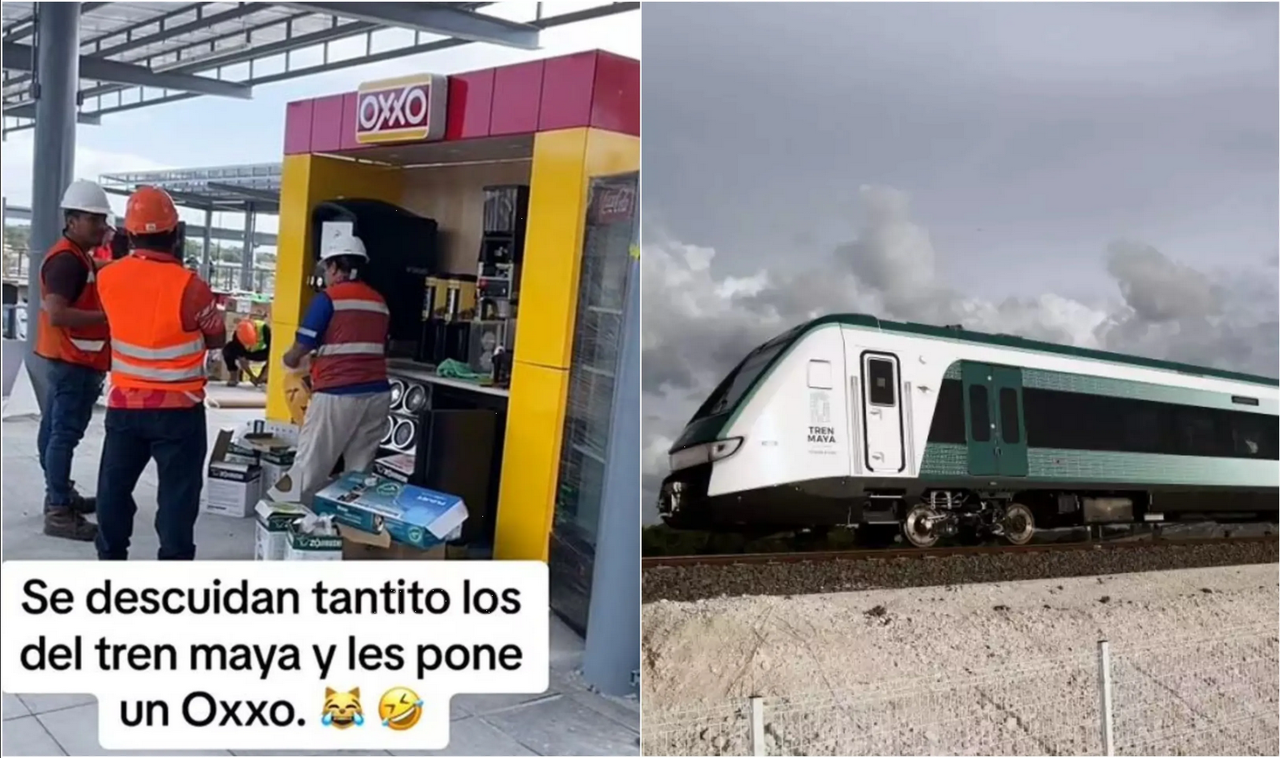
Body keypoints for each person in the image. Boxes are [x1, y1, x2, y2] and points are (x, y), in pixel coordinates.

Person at [94, 186, 227, 560]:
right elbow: (216, 335)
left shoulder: (108, 278)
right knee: (177, 497)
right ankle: (173, 569)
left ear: (130, 233)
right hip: (179, 410)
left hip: (124, 405)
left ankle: (109, 561)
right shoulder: (192, 287)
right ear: (175, 234)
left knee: (114, 488)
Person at [281, 235, 392, 505]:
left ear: (333, 267)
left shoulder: (328, 299)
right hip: (377, 394)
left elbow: (302, 346)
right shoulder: (379, 301)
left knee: (309, 464)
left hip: (337, 394)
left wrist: (290, 359)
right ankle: (350, 529)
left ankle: (283, 519)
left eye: (326, 269)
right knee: (359, 472)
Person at [34, 180, 114, 542]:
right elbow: (58, 314)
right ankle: (59, 511)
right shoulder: (67, 261)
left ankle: (60, 495)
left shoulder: (78, 257)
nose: (101, 226)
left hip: (70, 359)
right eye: (94, 219)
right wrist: (109, 318)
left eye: (102, 219)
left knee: (53, 433)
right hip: (72, 361)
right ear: (73, 220)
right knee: (62, 436)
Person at [224, 317, 272, 387]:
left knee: (276, 354)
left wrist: (262, 375)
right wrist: (251, 376)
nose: (248, 347)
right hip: (247, 354)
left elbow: (273, 355)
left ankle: (265, 377)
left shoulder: (264, 329)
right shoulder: (238, 334)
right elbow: (242, 359)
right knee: (228, 350)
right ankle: (233, 374)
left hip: (261, 353)